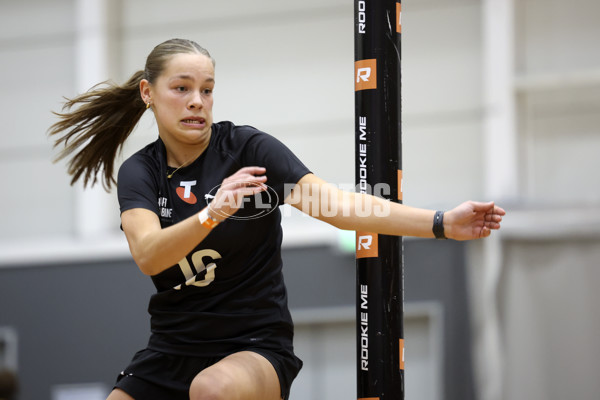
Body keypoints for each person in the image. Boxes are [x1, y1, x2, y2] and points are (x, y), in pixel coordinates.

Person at [48, 38, 505, 400]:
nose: (197, 102)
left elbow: (340, 208)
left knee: (211, 390)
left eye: (207, 89)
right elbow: (148, 255)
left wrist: (443, 222)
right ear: (148, 93)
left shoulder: (249, 150)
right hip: (172, 348)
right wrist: (213, 213)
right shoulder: (141, 172)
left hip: (253, 347)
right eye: (182, 88)